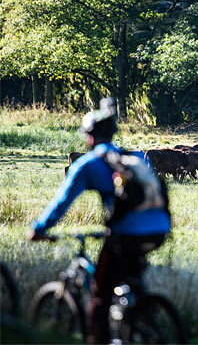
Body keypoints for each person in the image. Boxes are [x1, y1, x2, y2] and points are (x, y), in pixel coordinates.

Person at [28, 98, 171, 344]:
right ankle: (141, 321)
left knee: (99, 297)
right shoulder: (133, 157)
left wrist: (38, 228)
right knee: (129, 280)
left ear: (90, 137)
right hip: (159, 230)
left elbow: (62, 202)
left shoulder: (89, 164)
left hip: (127, 234)